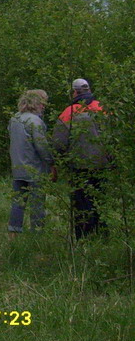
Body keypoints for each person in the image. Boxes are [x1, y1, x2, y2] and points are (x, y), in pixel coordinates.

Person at [52, 78, 110, 239]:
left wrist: (58, 161)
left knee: (81, 203)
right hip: (102, 164)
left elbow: (58, 143)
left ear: (75, 92)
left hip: (78, 165)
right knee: (100, 200)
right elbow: (114, 137)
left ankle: (83, 237)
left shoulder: (69, 112)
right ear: (89, 90)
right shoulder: (103, 108)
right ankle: (102, 235)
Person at [8, 89, 52, 235]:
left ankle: (14, 231)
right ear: (36, 103)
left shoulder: (14, 119)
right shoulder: (35, 121)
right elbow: (42, 146)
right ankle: (37, 232)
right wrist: (51, 161)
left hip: (17, 167)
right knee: (37, 202)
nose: (44, 106)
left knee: (18, 202)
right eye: (42, 103)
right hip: (34, 168)